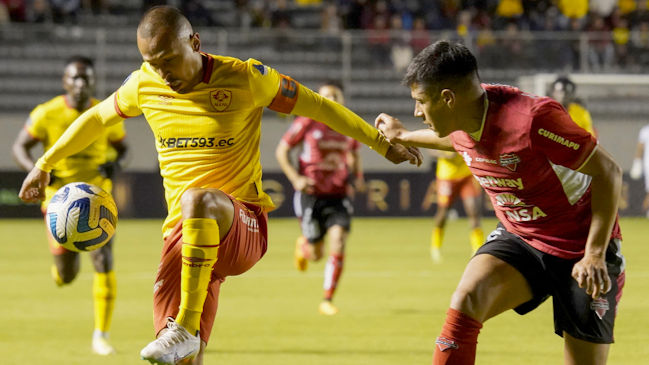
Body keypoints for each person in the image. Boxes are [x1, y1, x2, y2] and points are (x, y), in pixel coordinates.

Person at [17, 6, 421, 365]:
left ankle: (186, 328)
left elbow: (319, 106)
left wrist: (380, 144)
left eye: (170, 60)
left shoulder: (247, 78)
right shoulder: (144, 85)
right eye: (152, 63)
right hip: (183, 237)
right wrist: (45, 164)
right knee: (183, 360)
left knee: (199, 201)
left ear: (195, 41)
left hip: (241, 224)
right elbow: (96, 119)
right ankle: (186, 337)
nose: (163, 73)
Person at [375, 41, 625, 365]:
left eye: (420, 102)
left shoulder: (532, 120)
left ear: (448, 98)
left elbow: (608, 170)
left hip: (580, 248)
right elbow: (455, 139)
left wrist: (593, 254)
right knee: (466, 299)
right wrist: (405, 136)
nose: (416, 112)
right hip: (520, 237)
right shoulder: (464, 114)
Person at [11, 55, 128, 356]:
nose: (80, 83)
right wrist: (37, 171)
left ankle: (101, 335)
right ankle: (60, 271)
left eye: (85, 78)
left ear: (93, 82)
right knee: (67, 275)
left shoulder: (104, 113)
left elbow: (122, 149)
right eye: (74, 78)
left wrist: (115, 166)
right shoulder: (46, 113)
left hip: (98, 197)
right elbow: (19, 146)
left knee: (103, 260)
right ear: (65, 82)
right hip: (59, 202)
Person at [275, 81, 365, 316]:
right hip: (311, 195)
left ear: (342, 100)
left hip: (339, 194)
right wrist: (296, 179)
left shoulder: (348, 124)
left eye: (335, 96)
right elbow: (282, 150)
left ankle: (327, 298)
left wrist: (357, 176)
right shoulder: (306, 121)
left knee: (339, 241)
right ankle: (304, 246)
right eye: (326, 96)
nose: (331, 100)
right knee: (315, 255)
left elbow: (354, 153)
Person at [427, 149, 483, 263]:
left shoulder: (464, 131)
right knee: (443, 213)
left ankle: (478, 249)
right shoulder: (442, 132)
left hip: (467, 175)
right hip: (447, 176)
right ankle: (435, 247)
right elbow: (430, 149)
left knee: (474, 210)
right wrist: (444, 154)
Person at [630, 124, 649, 217]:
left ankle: (643, 212)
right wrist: (637, 163)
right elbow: (640, 147)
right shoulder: (645, 131)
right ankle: (643, 212)